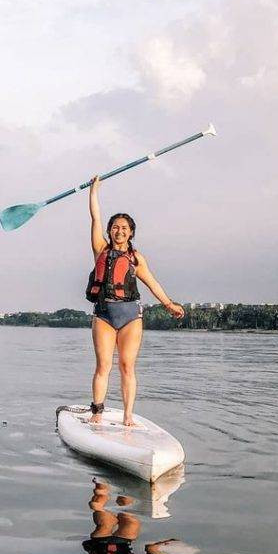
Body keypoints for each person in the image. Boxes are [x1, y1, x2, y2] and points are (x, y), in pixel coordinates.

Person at [86, 176, 184, 426]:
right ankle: (97, 411)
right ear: (110, 231)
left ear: (131, 233)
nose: (119, 231)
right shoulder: (101, 249)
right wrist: (94, 192)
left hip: (131, 316)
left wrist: (169, 304)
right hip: (104, 315)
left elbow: (152, 283)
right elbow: (95, 217)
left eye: (124, 228)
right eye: (115, 227)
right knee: (103, 366)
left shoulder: (136, 258)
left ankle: (127, 416)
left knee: (127, 367)